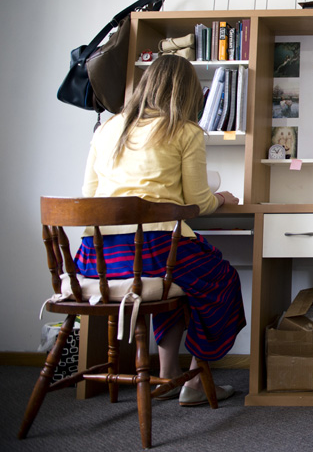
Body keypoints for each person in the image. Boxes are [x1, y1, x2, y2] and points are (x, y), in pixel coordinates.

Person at [76, 54, 245, 406]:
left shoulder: (107, 129)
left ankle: (168, 377)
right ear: (187, 94)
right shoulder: (184, 131)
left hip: (97, 260)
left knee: (172, 284)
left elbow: (88, 198)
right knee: (222, 279)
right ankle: (194, 382)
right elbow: (196, 200)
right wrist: (222, 198)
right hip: (154, 248)